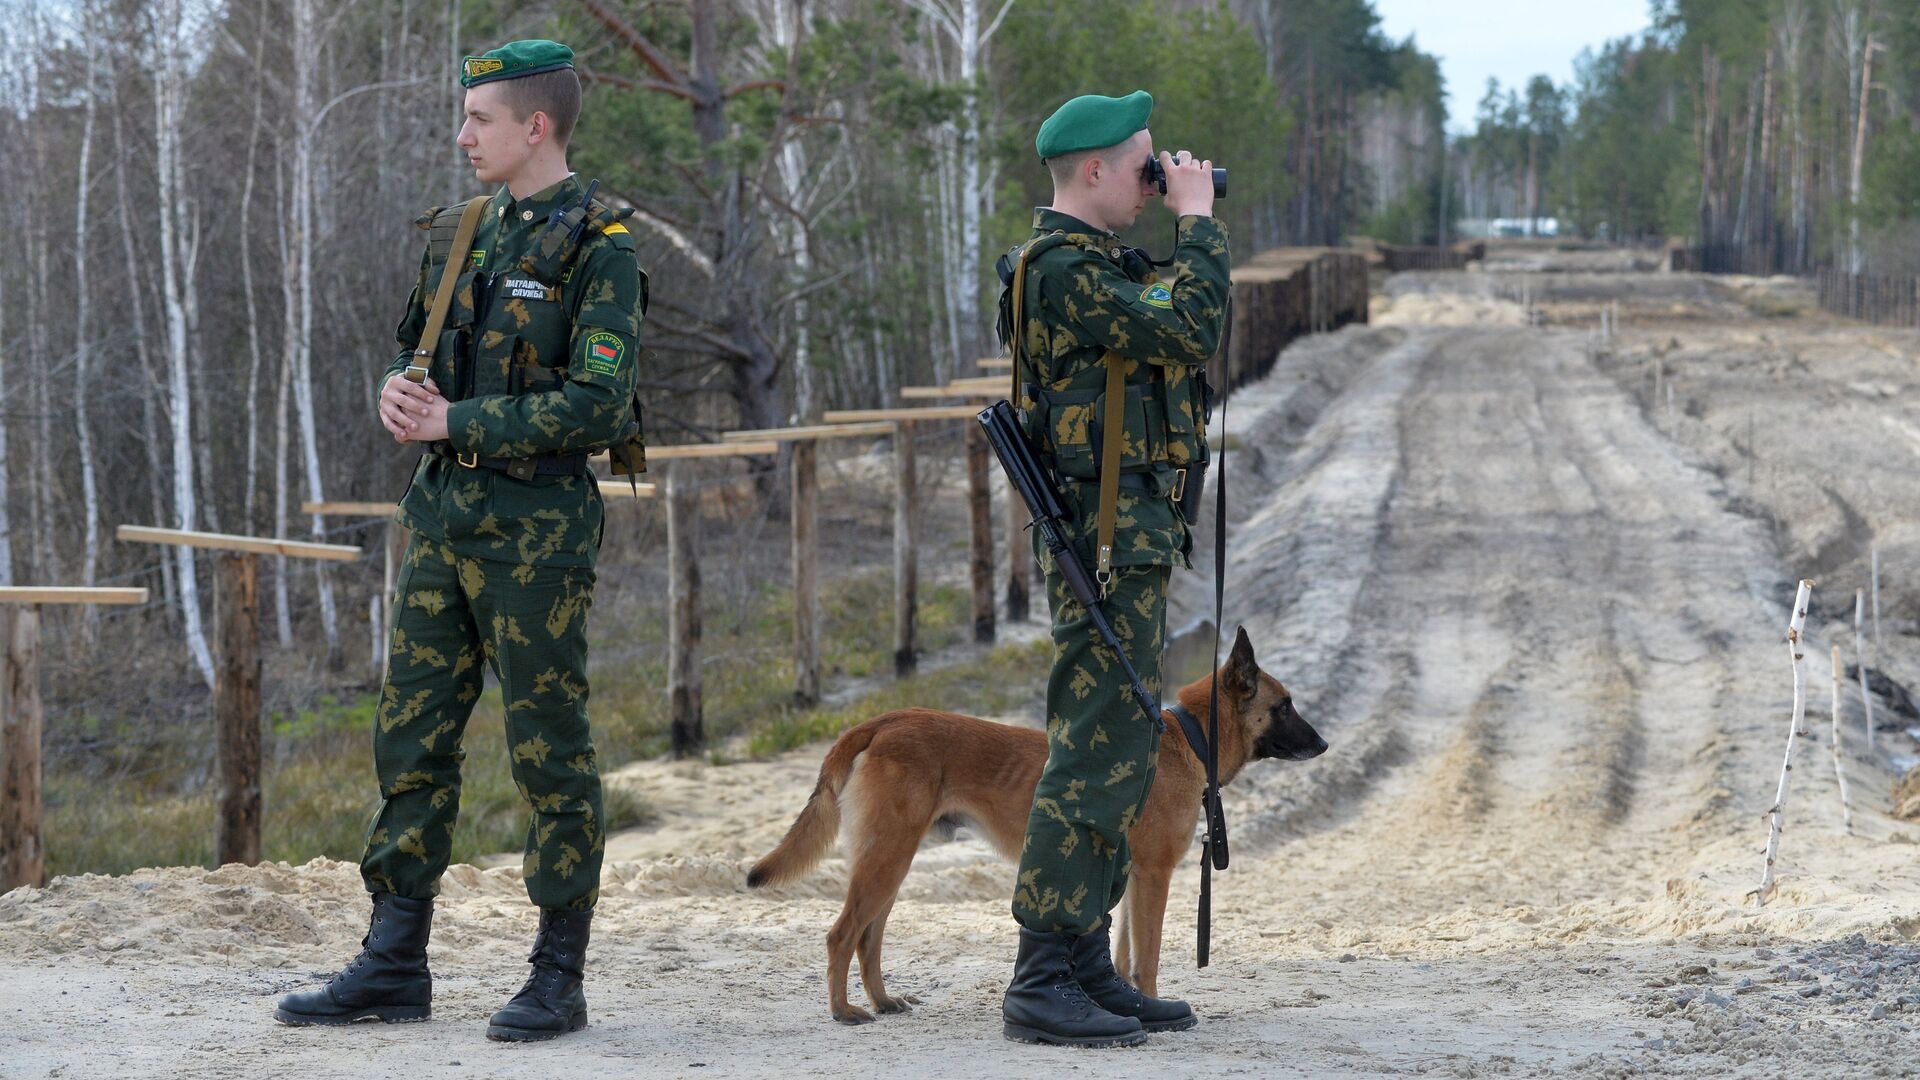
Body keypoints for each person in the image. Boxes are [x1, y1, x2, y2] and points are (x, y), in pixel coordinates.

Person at [275, 39, 645, 1043]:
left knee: (548, 749)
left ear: (537, 126)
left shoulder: (599, 244)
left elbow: (600, 405)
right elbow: (417, 347)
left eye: (479, 118)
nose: (462, 134)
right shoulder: (459, 231)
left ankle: (557, 975)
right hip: (441, 523)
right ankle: (394, 960)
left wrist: (459, 425)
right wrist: (400, 391)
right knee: (412, 739)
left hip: (537, 536)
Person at [994, 90, 1230, 1047]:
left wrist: (1183, 224)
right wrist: (1201, 223)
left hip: (1125, 534)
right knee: (1092, 749)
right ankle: (1040, 973)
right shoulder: (1060, 268)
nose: (1156, 181)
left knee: (1122, 748)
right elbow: (1187, 327)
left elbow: (1164, 318)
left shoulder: (1097, 267)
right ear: (1092, 171)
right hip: (1103, 541)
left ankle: (1085, 960)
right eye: (1143, 166)